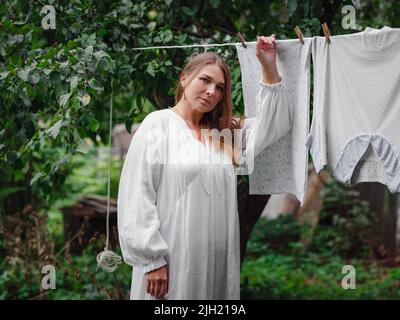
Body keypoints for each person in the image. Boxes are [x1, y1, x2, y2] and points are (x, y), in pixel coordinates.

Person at [117, 35, 293, 300]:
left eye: (220, 87)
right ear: (184, 79)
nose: (212, 91)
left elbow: (275, 124)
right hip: (172, 259)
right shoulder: (158, 124)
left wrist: (267, 64)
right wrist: (152, 260)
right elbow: (137, 194)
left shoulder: (222, 134)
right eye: (205, 80)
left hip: (216, 262)